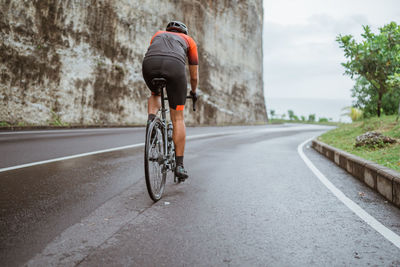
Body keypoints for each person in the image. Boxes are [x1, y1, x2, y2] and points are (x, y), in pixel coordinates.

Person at [142, 21, 198, 180]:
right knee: (178, 117)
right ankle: (179, 165)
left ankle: (151, 122)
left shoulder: (157, 35)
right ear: (184, 32)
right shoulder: (189, 41)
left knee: (155, 94)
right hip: (174, 67)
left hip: (149, 65)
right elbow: (194, 76)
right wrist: (193, 92)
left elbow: (155, 51)